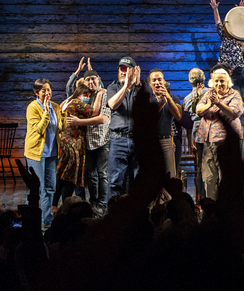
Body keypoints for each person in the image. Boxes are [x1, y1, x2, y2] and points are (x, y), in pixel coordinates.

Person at [65, 65, 111, 216]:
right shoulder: (85, 95)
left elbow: (101, 118)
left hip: (102, 140)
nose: (91, 82)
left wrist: (79, 121)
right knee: (90, 175)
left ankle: (103, 204)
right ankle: (94, 202)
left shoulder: (104, 94)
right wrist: (77, 72)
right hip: (87, 142)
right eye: (88, 79)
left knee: (102, 174)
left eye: (93, 78)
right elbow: (69, 91)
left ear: (98, 79)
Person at [106, 56, 152, 199]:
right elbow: (113, 105)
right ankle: (113, 216)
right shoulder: (113, 87)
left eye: (127, 69)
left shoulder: (143, 88)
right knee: (114, 181)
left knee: (139, 181)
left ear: (134, 71)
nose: (123, 72)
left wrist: (137, 85)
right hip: (118, 140)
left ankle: (137, 216)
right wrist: (126, 86)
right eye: (121, 69)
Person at [24, 79, 68, 228]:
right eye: (43, 91)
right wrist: (46, 112)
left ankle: (46, 219)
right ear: (37, 92)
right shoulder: (33, 108)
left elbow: (61, 128)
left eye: (49, 90)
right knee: (39, 187)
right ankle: (32, 217)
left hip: (51, 153)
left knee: (51, 187)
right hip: (36, 153)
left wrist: (63, 113)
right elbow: (39, 129)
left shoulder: (55, 106)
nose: (47, 93)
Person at [195, 68, 244, 200]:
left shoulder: (235, 95)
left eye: (222, 81)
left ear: (228, 82)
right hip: (208, 141)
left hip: (226, 144)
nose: (219, 84)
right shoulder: (208, 94)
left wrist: (218, 103)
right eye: (216, 81)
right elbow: (198, 110)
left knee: (226, 179)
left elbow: (233, 113)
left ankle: (227, 211)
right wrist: (210, 104)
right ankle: (211, 211)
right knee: (209, 178)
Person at [53, 84, 98, 211]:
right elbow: (94, 111)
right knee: (69, 176)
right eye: (85, 95)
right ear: (78, 94)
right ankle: (62, 207)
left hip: (67, 142)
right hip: (72, 143)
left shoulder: (68, 101)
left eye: (89, 96)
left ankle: (56, 205)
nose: (87, 98)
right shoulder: (77, 102)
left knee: (64, 175)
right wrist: (99, 94)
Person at [148, 68, 182, 179]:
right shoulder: (147, 99)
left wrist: (167, 97)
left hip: (167, 141)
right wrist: (162, 103)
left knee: (170, 176)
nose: (157, 82)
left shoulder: (173, 98)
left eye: (159, 79)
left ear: (164, 81)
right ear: (150, 83)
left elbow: (178, 115)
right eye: (154, 80)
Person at [183, 68, 208, 201]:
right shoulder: (211, 93)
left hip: (197, 135)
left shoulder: (186, 99)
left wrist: (190, 142)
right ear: (204, 79)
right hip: (212, 133)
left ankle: (201, 199)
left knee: (200, 167)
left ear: (190, 81)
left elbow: (188, 124)